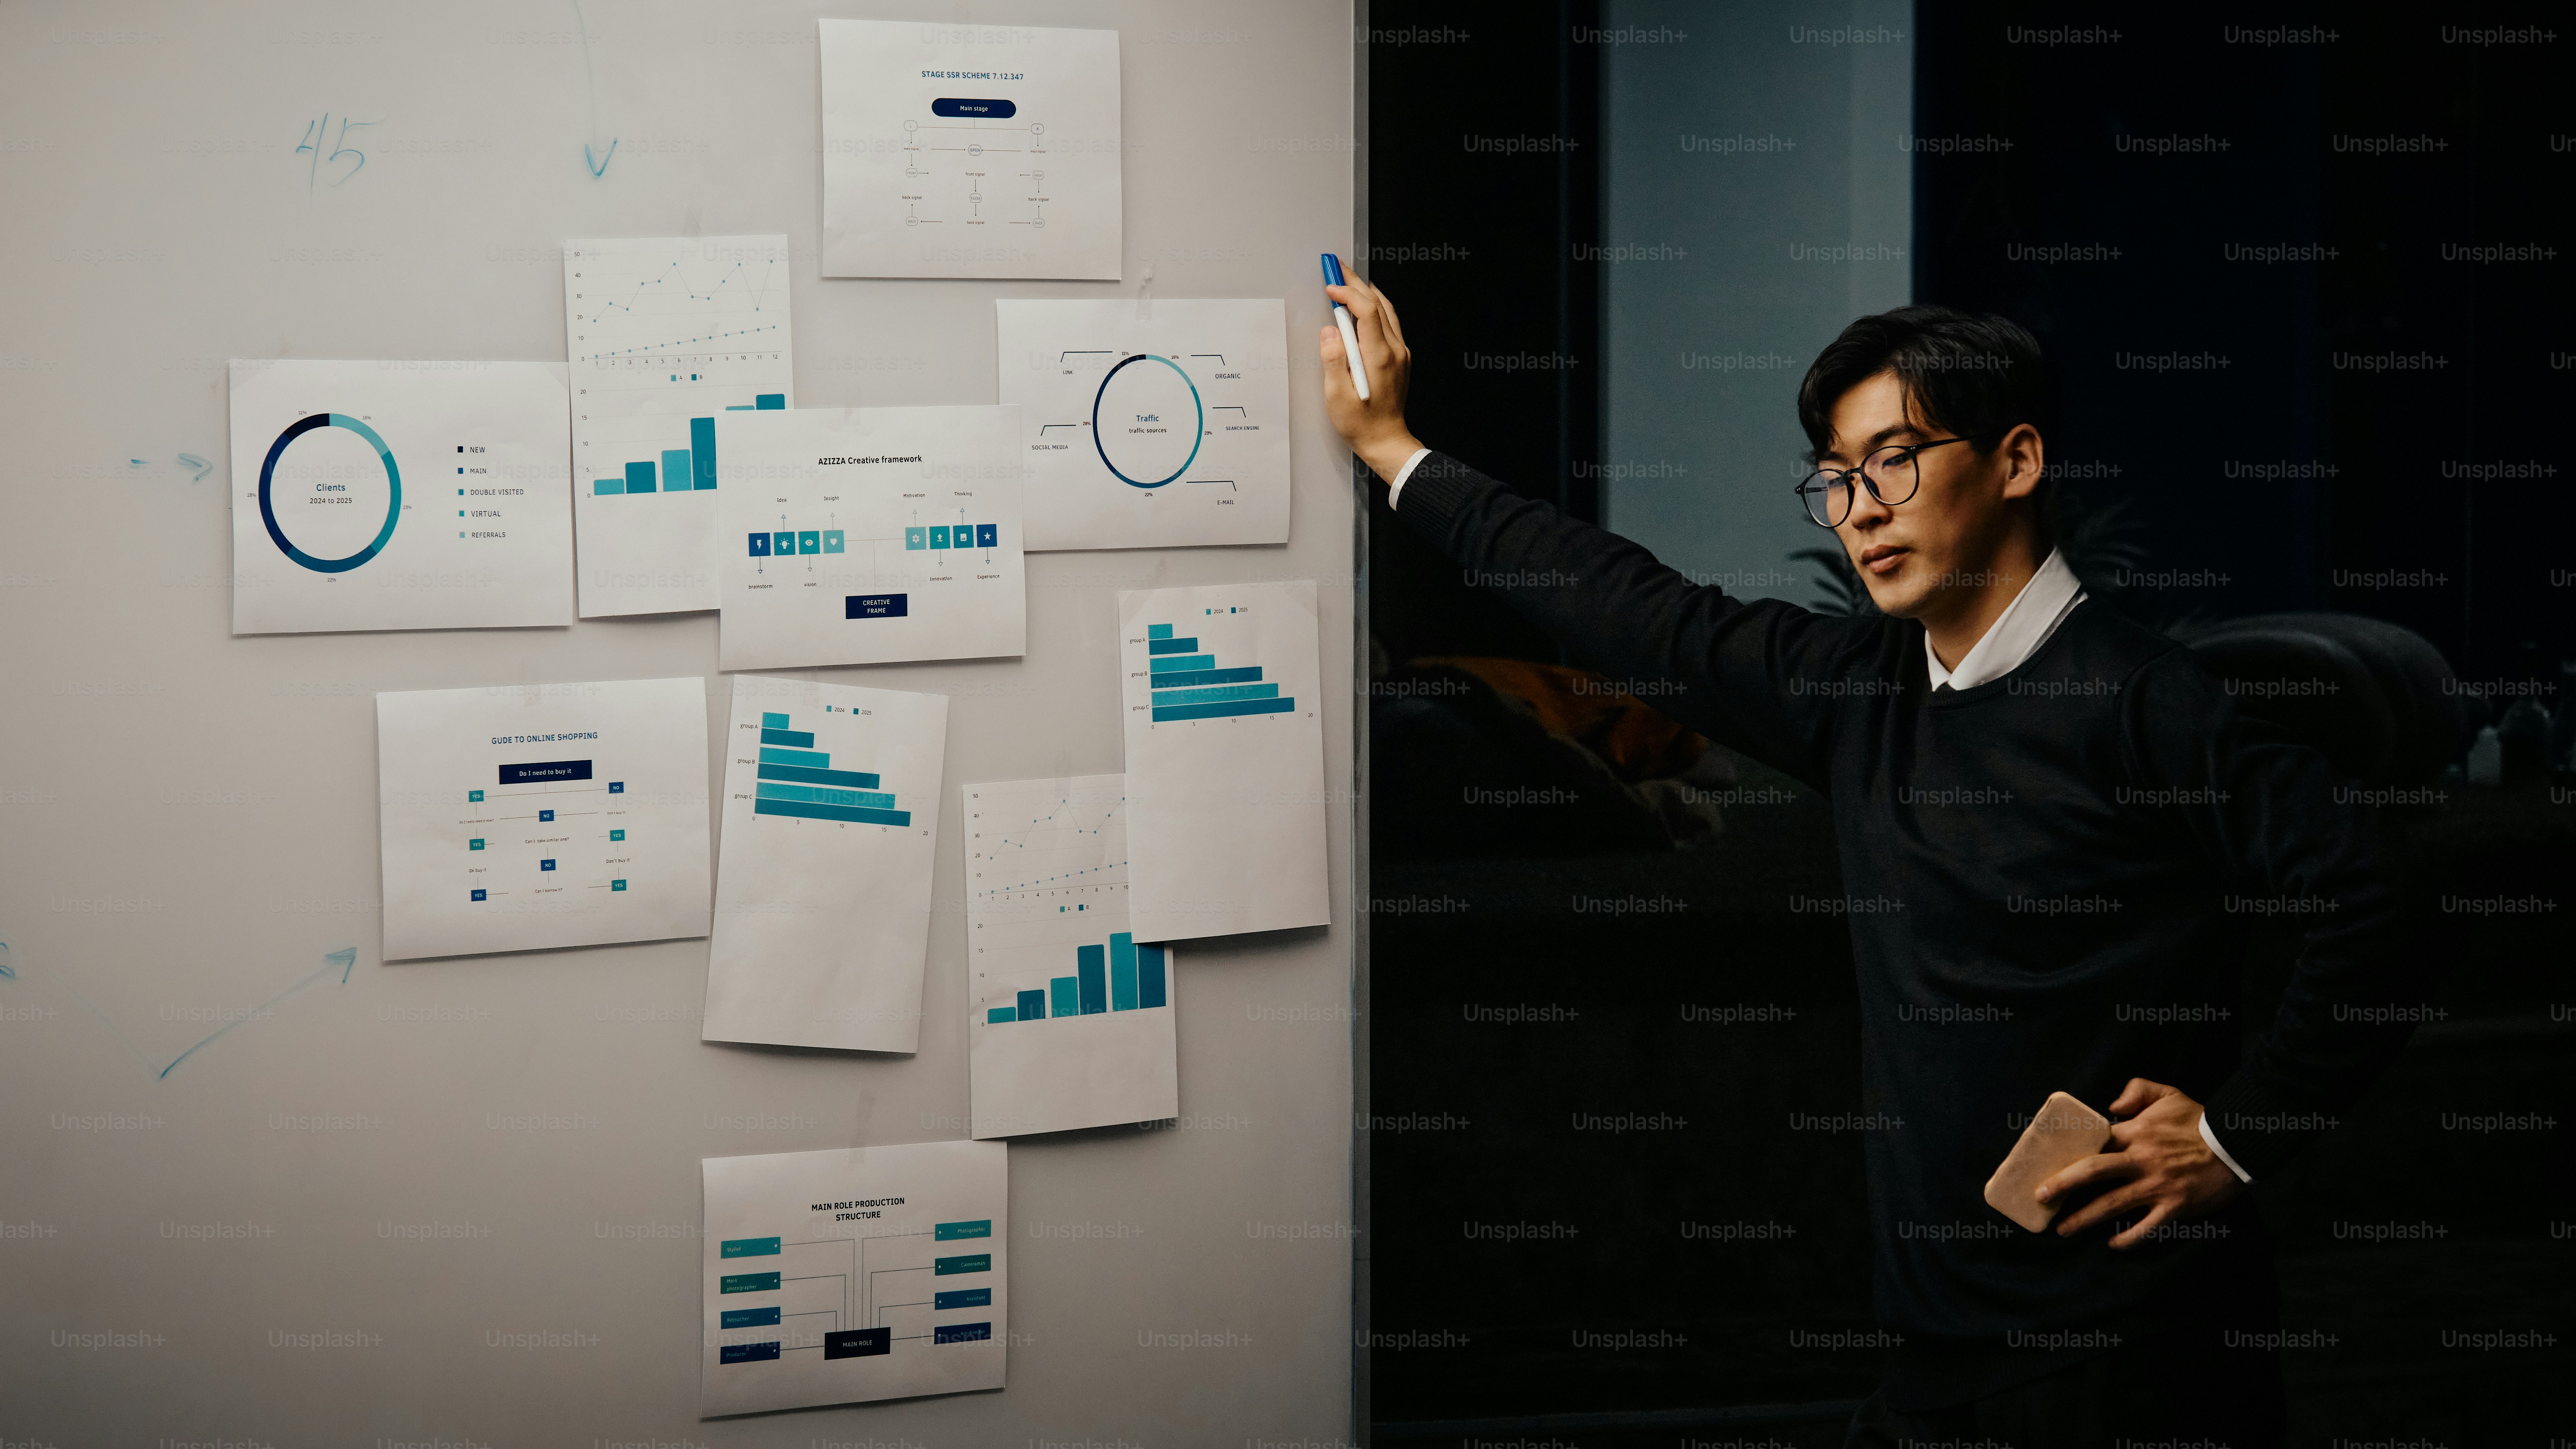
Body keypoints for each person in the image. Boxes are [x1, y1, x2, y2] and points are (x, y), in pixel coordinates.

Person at [1320, 271, 2429, 1448]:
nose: (1860, 508)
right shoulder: (1858, 692)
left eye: (1895, 460)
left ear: (2016, 462)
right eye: (1839, 479)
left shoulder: (2149, 703)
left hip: (2130, 1355)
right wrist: (1394, 449)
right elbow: (1625, 606)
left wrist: (2233, 1135)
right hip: (1935, 1344)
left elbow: (2386, 906)